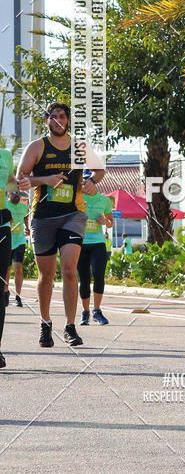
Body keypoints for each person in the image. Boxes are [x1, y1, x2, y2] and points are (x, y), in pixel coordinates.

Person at [17, 102, 105, 348]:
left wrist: (91, 182)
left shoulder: (79, 147)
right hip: (43, 216)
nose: (58, 120)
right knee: (46, 274)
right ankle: (45, 324)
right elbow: (20, 179)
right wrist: (46, 179)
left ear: (68, 120)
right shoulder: (37, 147)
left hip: (73, 214)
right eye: (53, 117)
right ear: (47, 121)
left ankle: (70, 327)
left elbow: (99, 170)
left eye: (62, 116)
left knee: (68, 269)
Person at [0, 148, 30, 367]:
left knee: (1, 285)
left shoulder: (5, 155)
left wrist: (19, 185)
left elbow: (9, 181)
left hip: (1, 226)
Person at [78, 190, 113, 326]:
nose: (85, 184)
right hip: (81, 243)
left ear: (94, 183)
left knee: (98, 275)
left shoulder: (104, 200)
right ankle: (85, 312)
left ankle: (97, 311)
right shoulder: (78, 197)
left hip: (98, 243)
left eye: (88, 181)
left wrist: (105, 221)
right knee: (84, 279)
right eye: (84, 181)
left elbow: (111, 222)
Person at [5, 191, 29, 307]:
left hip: (20, 241)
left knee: (18, 268)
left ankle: (18, 296)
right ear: (9, 194)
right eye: (14, 194)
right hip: (7, 241)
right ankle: (5, 292)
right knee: (7, 270)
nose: (16, 196)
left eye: (18, 194)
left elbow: (25, 218)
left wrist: (27, 227)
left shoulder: (23, 207)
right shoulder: (4, 205)